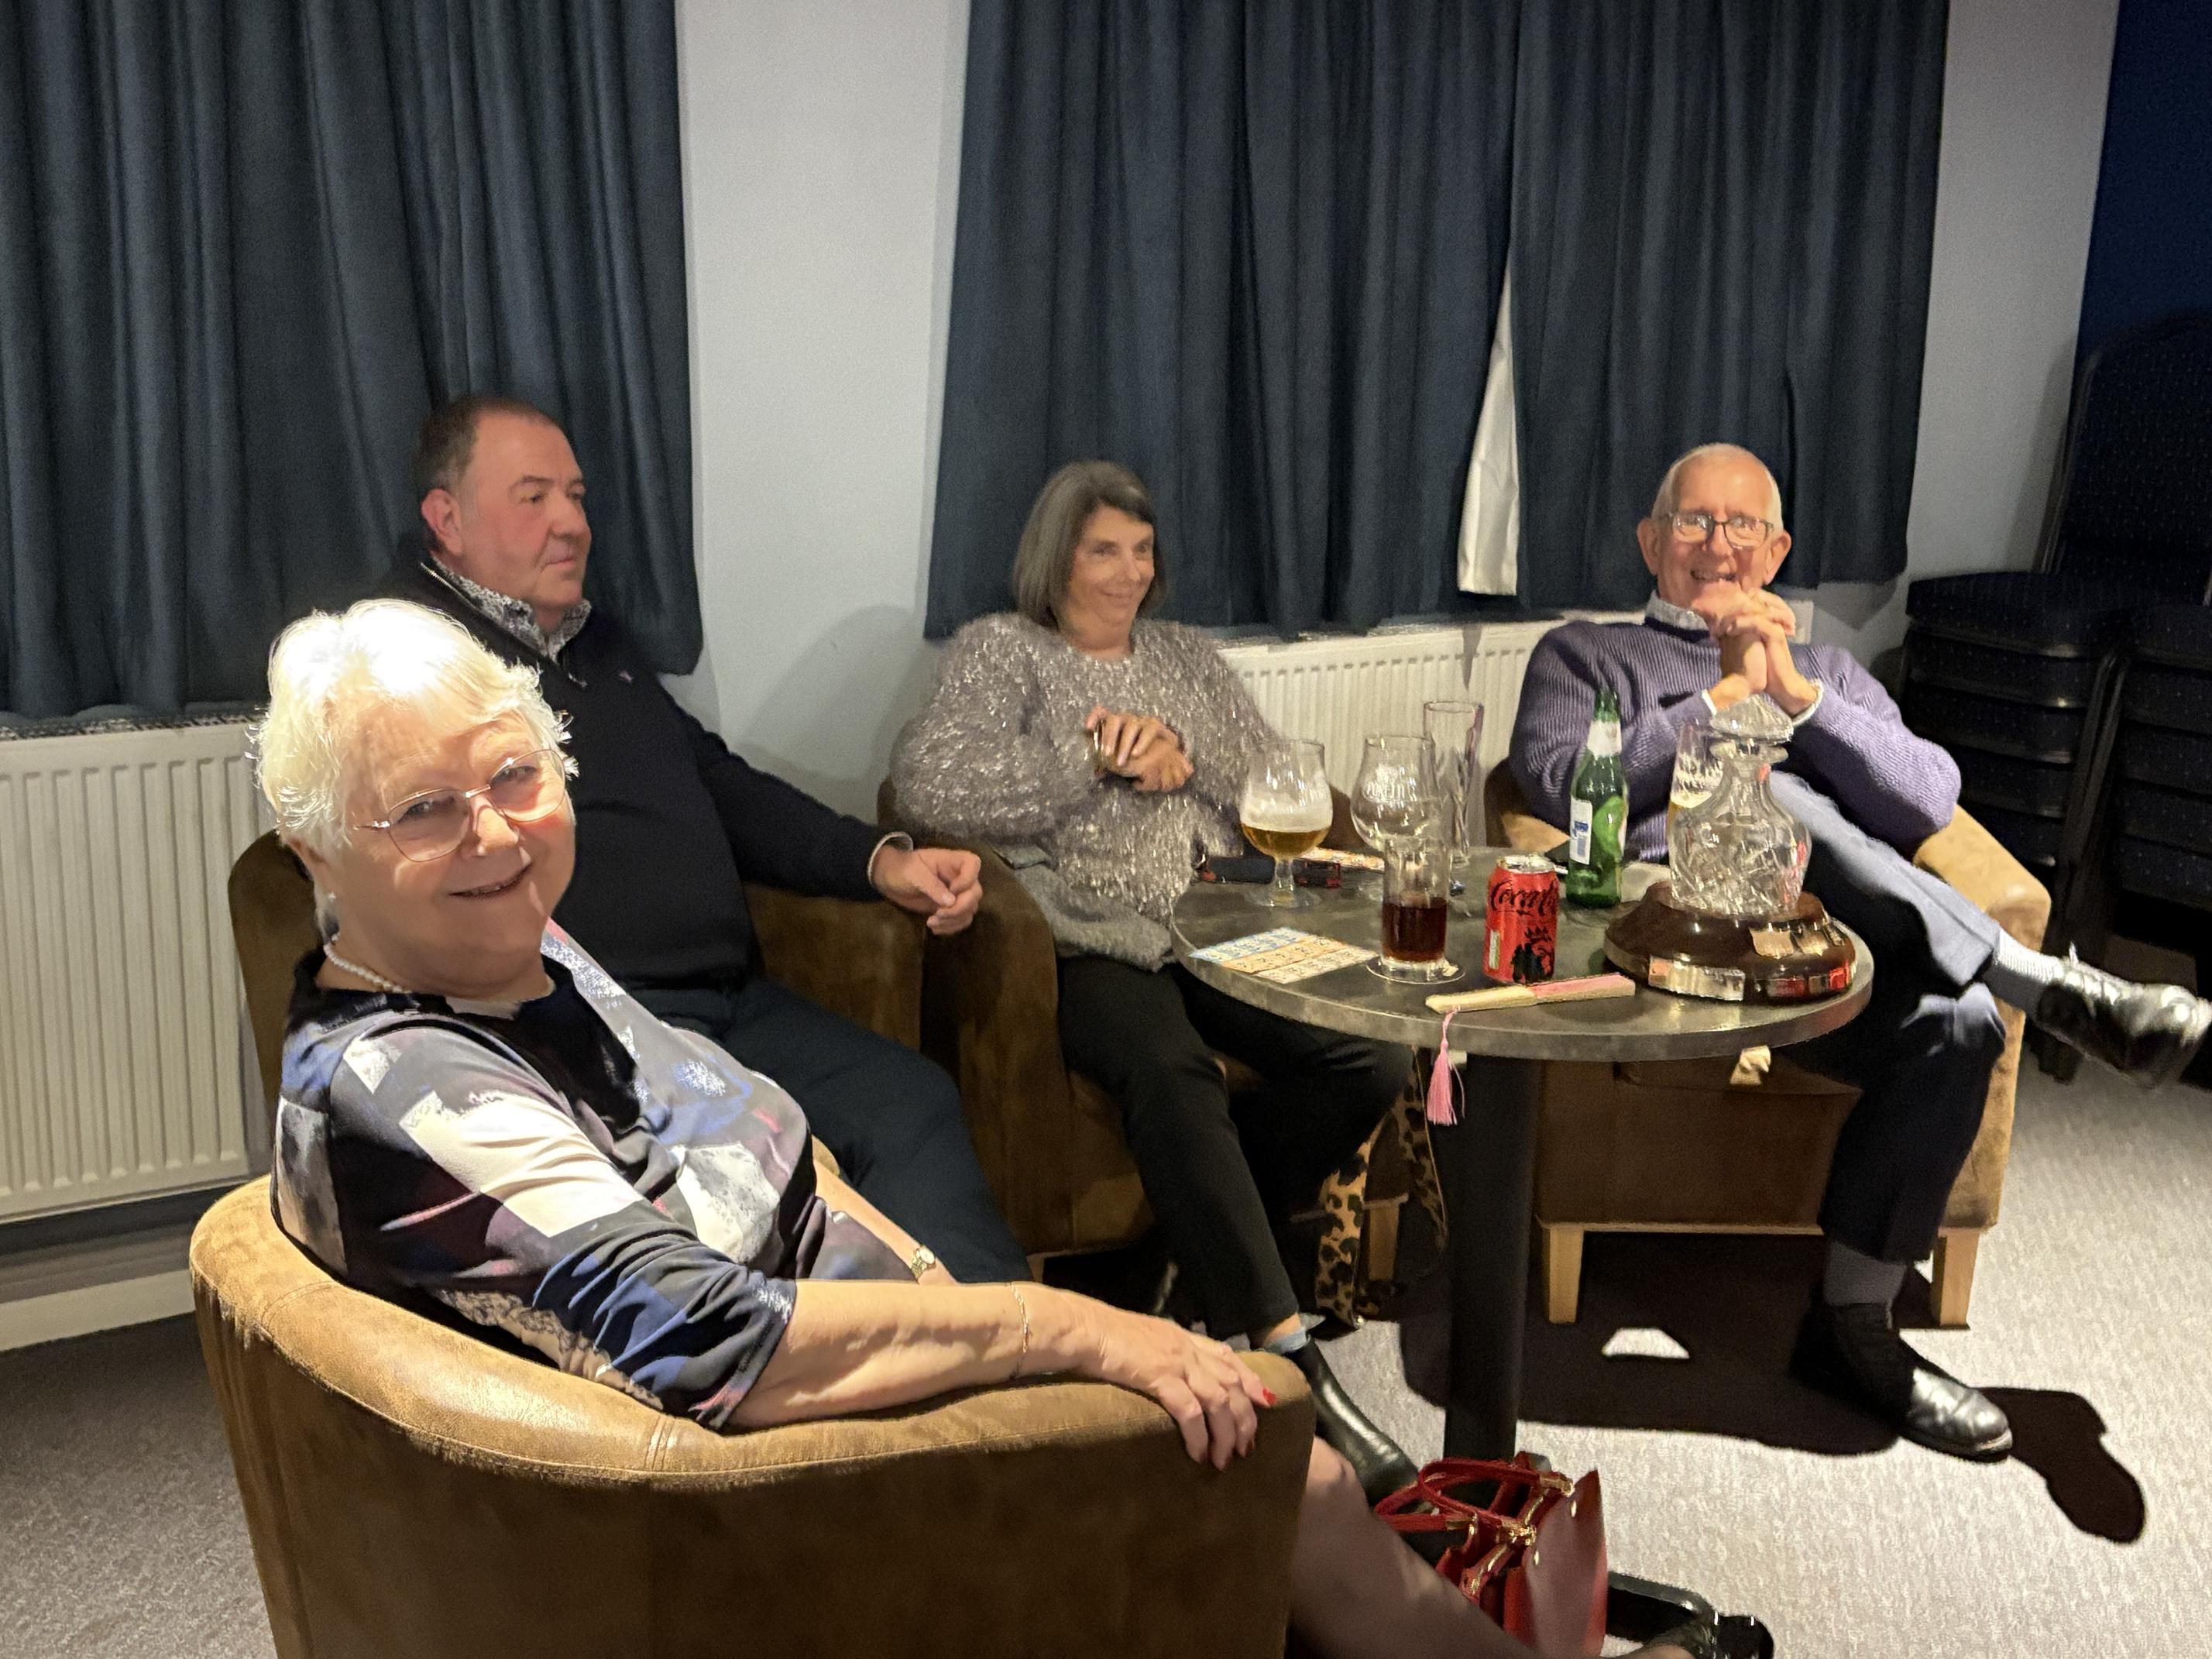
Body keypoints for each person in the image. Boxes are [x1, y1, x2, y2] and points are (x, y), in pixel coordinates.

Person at [254, 598, 1699, 1659]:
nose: (497, 831)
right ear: (318, 847)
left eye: (517, 776)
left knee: (1261, 1311)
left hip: (852, 1363)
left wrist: (936, 1279)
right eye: (422, 809)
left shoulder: (526, 956)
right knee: (1280, 1449)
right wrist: (1055, 1328)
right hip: (791, 1491)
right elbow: (709, 1340)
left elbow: (757, 1156)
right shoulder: (415, 1085)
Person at [1510, 441, 2212, 1462]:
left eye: (1743, 525)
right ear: (1651, 542)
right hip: (1681, 952)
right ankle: (2050, 985)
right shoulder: (1585, 655)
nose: (1718, 543)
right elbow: (1553, 779)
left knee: (1961, 1023)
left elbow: (1927, 800)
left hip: (1825, 965)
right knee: (1773, 792)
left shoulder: (1830, 670)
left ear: (1778, 550)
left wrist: (1795, 695)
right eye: (1695, 521)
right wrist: (1723, 702)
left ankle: (1853, 1329)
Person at [373, 393, 1028, 1287]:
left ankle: (1003, 1344)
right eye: (534, 498)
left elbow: (716, 782)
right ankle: (882, 1347)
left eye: (577, 496)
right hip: (598, 1025)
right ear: (446, 519)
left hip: (729, 1003)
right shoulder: (410, 663)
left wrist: (881, 860)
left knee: (912, 1104)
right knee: (744, 1185)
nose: (573, 523)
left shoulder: (595, 641)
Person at [890, 461, 1420, 1505]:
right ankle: (1283, 1353)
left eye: (1141, 551)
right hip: (1085, 935)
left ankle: (1205, 1234)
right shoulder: (1003, 652)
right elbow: (927, 782)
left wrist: (1182, 753)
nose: (1129, 572)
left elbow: (1277, 778)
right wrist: (1092, 760)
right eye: (1104, 550)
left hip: (1215, 921)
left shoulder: (1185, 656)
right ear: (1057, 559)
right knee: (1171, 1070)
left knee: (1368, 1052)